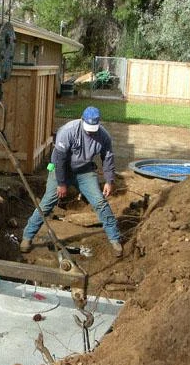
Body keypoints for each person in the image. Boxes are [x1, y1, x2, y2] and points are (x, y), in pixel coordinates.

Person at [20, 106, 123, 257]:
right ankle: (27, 236)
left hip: (84, 171)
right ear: (82, 120)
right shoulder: (68, 131)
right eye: (88, 128)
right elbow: (60, 160)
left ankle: (114, 238)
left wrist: (109, 180)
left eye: (94, 129)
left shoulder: (104, 136)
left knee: (100, 202)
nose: (90, 132)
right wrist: (61, 184)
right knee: (47, 202)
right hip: (61, 169)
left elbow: (107, 158)